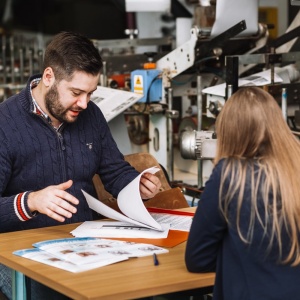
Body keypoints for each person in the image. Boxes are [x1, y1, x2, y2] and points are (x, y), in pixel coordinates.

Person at [0, 31, 161, 299]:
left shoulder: (91, 115)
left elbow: (114, 170)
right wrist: (31, 201)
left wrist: (136, 184)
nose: (84, 103)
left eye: (90, 93)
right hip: (21, 252)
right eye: (76, 92)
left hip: (87, 244)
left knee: (143, 283)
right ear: (49, 77)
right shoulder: (5, 123)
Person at [185, 86, 300, 300]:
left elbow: (197, 259)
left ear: (228, 132)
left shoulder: (228, 174)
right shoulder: (295, 169)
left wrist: (237, 250)